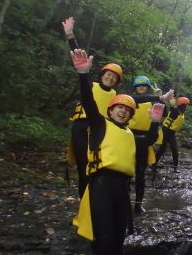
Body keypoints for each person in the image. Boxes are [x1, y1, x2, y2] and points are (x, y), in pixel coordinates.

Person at [69, 48, 164, 255]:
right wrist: (83, 74)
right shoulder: (99, 125)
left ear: (130, 116)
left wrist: (155, 122)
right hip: (101, 184)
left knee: (119, 238)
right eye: (119, 108)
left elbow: (149, 139)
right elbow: (88, 101)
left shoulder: (130, 134)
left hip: (122, 188)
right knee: (103, 237)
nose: (122, 111)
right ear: (110, 110)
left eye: (127, 110)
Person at [63, 17, 123, 198]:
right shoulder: (90, 85)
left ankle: (95, 202)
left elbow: (136, 99)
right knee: (83, 168)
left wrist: (159, 97)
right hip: (82, 128)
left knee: (94, 168)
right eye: (108, 75)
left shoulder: (115, 97)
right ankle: (83, 205)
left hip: (99, 131)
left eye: (114, 77)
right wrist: (70, 36)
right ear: (102, 74)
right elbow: (80, 61)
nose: (110, 78)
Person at [128, 75, 169, 214]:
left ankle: (138, 203)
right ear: (134, 87)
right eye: (139, 85)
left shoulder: (153, 102)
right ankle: (123, 198)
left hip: (145, 138)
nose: (141, 87)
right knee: (125, 169)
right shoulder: (129, 99)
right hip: (128, 136)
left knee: (140, 171)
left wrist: (160, 97)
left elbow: (165, 113)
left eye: (144, 85)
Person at [155, 96, 190, 173]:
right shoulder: (176, 110)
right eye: (185, 105)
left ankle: (175, 167)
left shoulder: (181, 112)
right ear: (181, 105)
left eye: (186, 106)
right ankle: (154, 164)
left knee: (172, 149)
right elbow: (172, 107)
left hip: (171, 132)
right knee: (166, 149)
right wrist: (169, 99)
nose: (186, 107)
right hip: (166, 130)